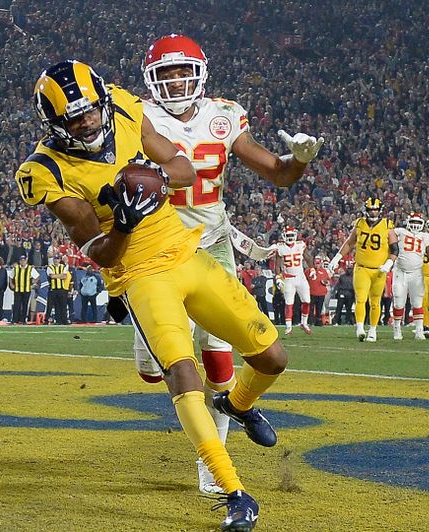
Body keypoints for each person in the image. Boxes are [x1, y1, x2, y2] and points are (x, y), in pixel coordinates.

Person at [17, 59, 290, 530]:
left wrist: (157, 183)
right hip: (139, 273)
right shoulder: (46, 170)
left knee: (273, 359)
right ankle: (234, 493)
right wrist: (123, 220)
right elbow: (100, 253)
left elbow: (181, 167)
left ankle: (238, 403)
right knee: (184, 375)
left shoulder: (123, 106)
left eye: (91, 111)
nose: (87, 122)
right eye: (74, 118)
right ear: (53, 124)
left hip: (186, 252)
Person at [141, 32, 320, 495]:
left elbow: (278, 173)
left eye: (185, 71)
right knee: (151, 365)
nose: (177, 81)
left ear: (199, 74)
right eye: (168, 73)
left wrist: (298, 160)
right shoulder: (138, 117)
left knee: (217, 345)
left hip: (212, 240)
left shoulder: (224, 114)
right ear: (152, 79)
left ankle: (212, 462)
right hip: (153, 247)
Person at [328, 198, 396, 342]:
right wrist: (337, 257)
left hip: (379, 269)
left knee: (375, 302)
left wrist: (389, 263)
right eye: (371, 209)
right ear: (366, 210)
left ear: (380, 210)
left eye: (375, 209)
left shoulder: (387, 225)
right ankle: (360, 328)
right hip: (362, 268)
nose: (373, 212)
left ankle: (372, 330)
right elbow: (350, 243)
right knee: (360, 299)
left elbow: (395, 248)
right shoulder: (359, 223)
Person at [389, 213, 429, 340]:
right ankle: (397, 328)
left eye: (418, 223)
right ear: (408, 222)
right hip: (400, 271)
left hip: (416, 273)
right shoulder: (400, 231)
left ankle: (419, 330)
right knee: (399, 301)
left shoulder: (425, 236)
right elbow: (389, 233)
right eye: (413, 222)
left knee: (418, 303)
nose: (415, 225)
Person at [11, 255, 37, 324]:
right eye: (21, 260)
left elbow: (37, 277)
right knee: (17, 305)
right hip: (18, 289)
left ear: (26, 261)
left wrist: (33, 285)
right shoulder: (16, 268)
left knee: (25, 305)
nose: (22, 262)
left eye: (24, 260)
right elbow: (10, 277)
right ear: (19, 261)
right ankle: (15, 320)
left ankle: (23, 320)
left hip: (26, 289)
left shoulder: (30, 268)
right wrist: (11, 284)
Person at [45, 255, 70, 324]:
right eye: (55, 259)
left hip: (61, 289)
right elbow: (51, 276)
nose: (56, 260)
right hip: (53, 289)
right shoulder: (49, 267)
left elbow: (65, 277)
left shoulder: (63, 266)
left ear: (59, 260)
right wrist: (60, 275)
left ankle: (63, 320)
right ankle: (46, 320)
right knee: (50, 306)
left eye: (57, 259)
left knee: (62, 306)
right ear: (53, 260)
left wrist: (56, 275)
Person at [306, 257, 331, 326]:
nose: (317, 265)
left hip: (321, 293)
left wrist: (325, 282)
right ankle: (310, 321)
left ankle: (318, 321)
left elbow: (328, 281)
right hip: (311, 292)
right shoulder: (308, 271)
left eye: (318, 263)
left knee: (319, 309)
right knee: (310, 308)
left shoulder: (323, 271)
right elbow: (304, 280)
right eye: (316, 263)